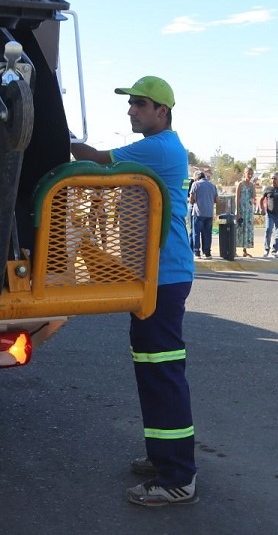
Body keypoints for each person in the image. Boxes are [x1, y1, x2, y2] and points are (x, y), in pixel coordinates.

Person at [68, 75, 198, 507]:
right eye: (131, 104)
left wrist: (60, 132)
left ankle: (179, 475)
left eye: (139, 104)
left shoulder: (159, 147)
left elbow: (92, 157)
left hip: (164, 275)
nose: (131, 111)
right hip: (157, 274)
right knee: (151, 367)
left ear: (162, 111)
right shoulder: (162, 147)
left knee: (161, 371)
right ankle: (165, 457)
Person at [189, 171, 218, 259]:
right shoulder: (213, 186)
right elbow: (216, 199)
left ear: (197, 178)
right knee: (207, 233)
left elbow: (191, 199)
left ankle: (197, 252)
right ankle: (207, 253)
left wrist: (194, 202)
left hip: (198, 212)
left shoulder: (195, 184)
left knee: (196, 233)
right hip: (209, 213)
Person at [234, 167, 257, 258]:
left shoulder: (251, 185)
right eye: (248, 173)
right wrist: (238, 211)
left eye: (251, 174)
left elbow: (254, 197)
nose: (250, 175)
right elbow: (237, 198)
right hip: (241, 209)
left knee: (247, 230)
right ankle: (234, 249)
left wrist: (254, 186)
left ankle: (245, 250)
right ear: (245, 173)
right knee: (239, 229)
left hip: (249, 210)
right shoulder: (240, 184)